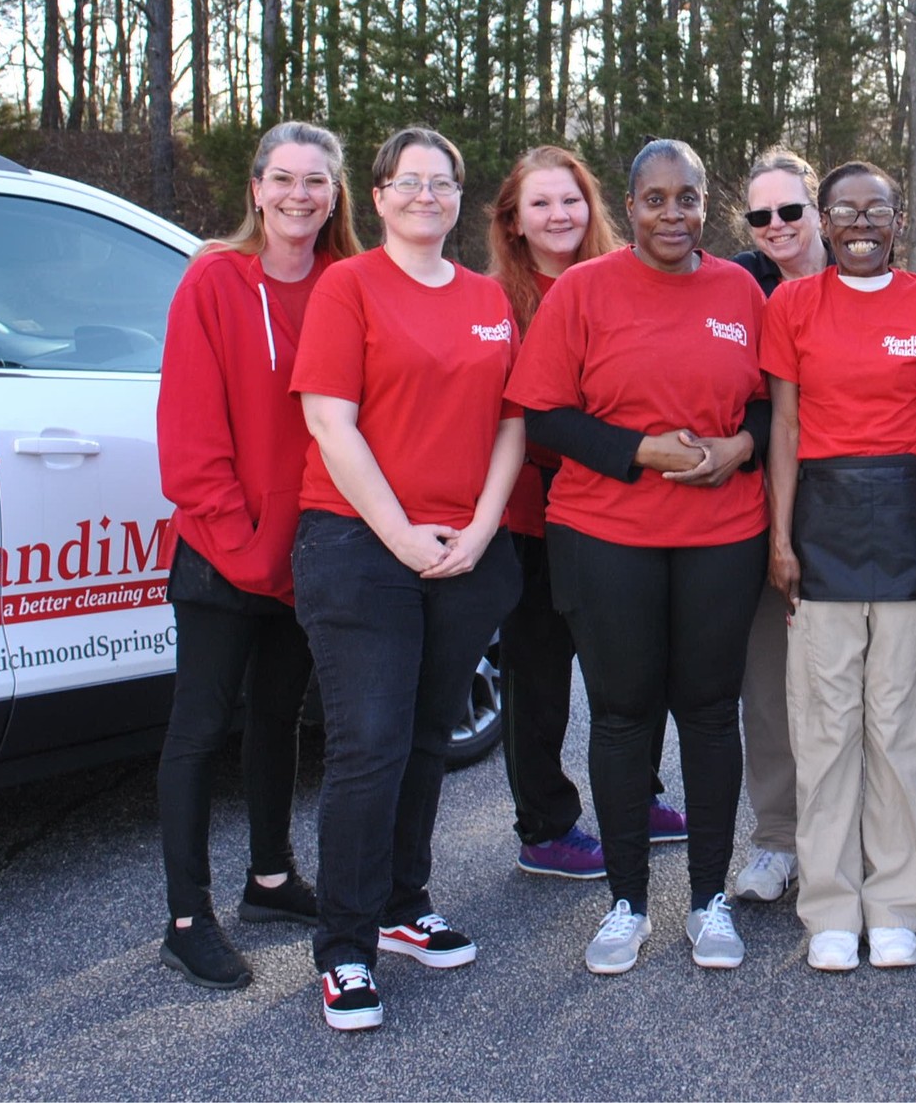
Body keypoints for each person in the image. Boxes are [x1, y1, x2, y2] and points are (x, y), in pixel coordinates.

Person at [509, 138, 771, 975]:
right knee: (622, 714)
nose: (672, 214)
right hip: (604, 533)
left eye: (687, 198)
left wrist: (739, 448)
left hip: (722, 536)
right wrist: (640, 452)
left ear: (706, 204)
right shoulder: (585, 290)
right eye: (654, 199)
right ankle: (625, 903)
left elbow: (775, 410)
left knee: (706, 708)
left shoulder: (740, 289)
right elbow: (543, 415)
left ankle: (707, 900)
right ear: (630, 207)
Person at [291, 127, 526, 1030]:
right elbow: (331, 423)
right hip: (360, 545)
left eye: (443, 183)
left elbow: (512, 421)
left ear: (459, 200)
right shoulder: (347, 287)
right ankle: (344, 948)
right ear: (379, 196)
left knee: (429, 733)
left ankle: (400, 904)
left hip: (464, 550)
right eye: (409, 182)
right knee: (371, 742)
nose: (426, 195)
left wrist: (479, 526)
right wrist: (400, 535)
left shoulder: (486, 300)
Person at [154, 121, 360, 990]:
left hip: (306, 546)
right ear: (256, 188)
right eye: (284, 178)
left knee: (283, 720)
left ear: (338, 195)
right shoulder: (212, 281)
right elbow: (189, 434)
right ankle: (186, 917)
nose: (299, 195)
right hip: (221, 551)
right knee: (199, 731)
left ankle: (271, 878)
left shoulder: (349, 285)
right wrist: (241, 546)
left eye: (317, 181)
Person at [762, 161, 916, 972]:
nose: (861, 224)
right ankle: (832, 907)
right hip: (822, 525)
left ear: (898, 220)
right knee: (828, 725)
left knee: (899, 725)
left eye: (876, 210)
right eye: (844, 210)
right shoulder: (793, 304)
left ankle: (897, 903)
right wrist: (781, 538)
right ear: (824, 222)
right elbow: (784, 427)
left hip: (905, 526)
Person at [483, 148, 685, 882]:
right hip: (532, 516)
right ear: (513, 218)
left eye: (569, 200)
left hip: (627, 509)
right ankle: (546, 825)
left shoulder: (631, 279)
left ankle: (640, 794)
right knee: (538, 676)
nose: (558, 216)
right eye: (539, 204)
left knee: (632, 666)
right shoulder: (494, 298)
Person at [726, 147, 829, 903]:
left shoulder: (867, 276)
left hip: (861, 509)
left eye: (790, 210)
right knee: (768, 687)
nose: (775, 226)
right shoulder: (736, 287)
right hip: (765, 508)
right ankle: (775, 840)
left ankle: (846, 839)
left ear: (817, 208)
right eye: (760, 215)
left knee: (851, 688)